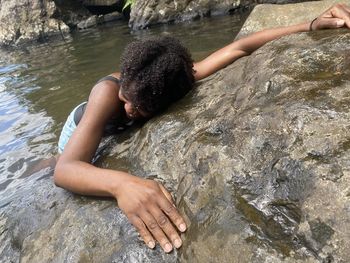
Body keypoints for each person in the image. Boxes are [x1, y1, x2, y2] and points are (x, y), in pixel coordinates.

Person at [54, 4, 350, 253]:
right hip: (82, 121)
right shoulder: (108, 94)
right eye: (126, 99)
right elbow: (66, 169)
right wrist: (122, 185)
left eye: (140, 108)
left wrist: (311, 24)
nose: (129, 108)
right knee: (53, 161)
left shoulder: (177, 81)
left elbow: (240, 47)